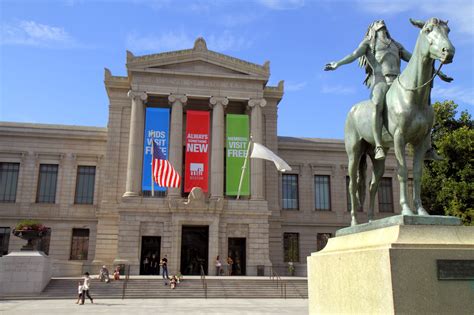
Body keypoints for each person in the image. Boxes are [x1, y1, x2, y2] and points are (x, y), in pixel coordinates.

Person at [325, 19, 451, 160]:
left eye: (383, 26)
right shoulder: (369, 44)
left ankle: (427, 147)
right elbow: (354, 55)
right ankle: (378, 145)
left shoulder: (395, 45)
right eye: (378, 25)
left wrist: (438, 73)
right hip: (381, 81)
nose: (381, 24)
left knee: (424, 104)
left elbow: (414, 59)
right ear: (373, 29)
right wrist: (338, 63)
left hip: (398, 81)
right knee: (377, 104)